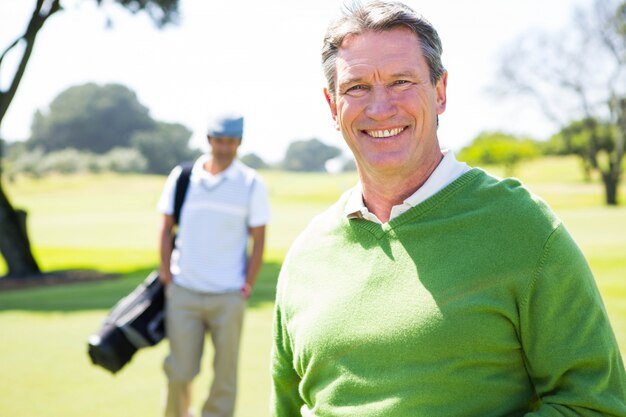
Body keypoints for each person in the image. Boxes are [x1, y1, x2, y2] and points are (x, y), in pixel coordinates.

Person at [270, 1, 626, 416]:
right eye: (357, 87)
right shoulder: (306, 256)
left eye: (401, 81)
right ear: (333, 106)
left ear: (439, 93)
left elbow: (595, 406)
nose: (380, 107)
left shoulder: (523, 228)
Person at [157, 114, 270, 417]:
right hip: (184, 291)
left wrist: (247, 284)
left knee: (224, 377)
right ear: (209, 140)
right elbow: (166, 228)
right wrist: (167, 277)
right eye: (219, 140)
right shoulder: (182, 178)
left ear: (239, 143)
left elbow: (259, 239)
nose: (225, 148)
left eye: (231, 142)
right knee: (179, 372)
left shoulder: (251, 184)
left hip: (228, 295)